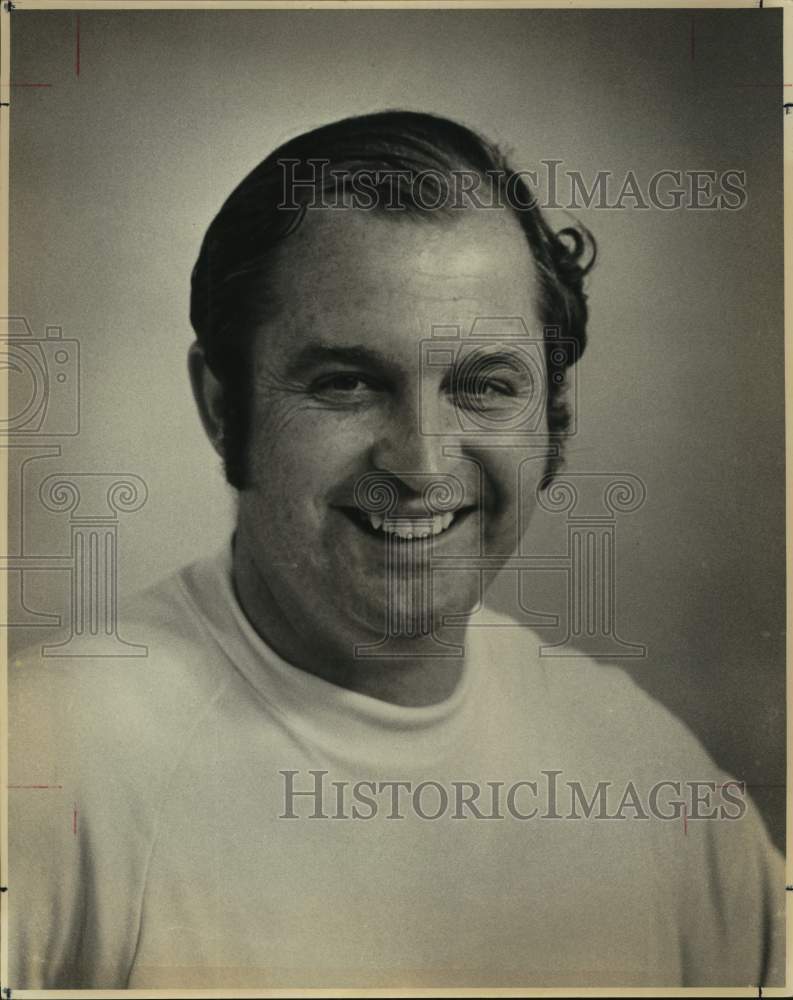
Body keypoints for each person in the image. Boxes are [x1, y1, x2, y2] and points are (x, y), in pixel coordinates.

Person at [8, 111, 784, 989]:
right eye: (346, 384)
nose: (420, 461)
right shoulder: (41, 768)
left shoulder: (647, 776)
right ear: (224, 406)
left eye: (483, 385)